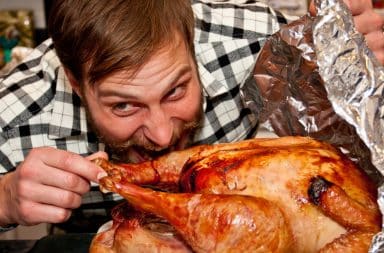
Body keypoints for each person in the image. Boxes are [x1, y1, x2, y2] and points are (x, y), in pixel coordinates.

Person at [0, 0, 383, 233]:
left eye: (176, 91)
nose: (163, 136)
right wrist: (5, 199)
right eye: (124, 106)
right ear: (75, 83)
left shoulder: (257, 41)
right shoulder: (18, 112)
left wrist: (357, 71)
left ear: (191, 40)